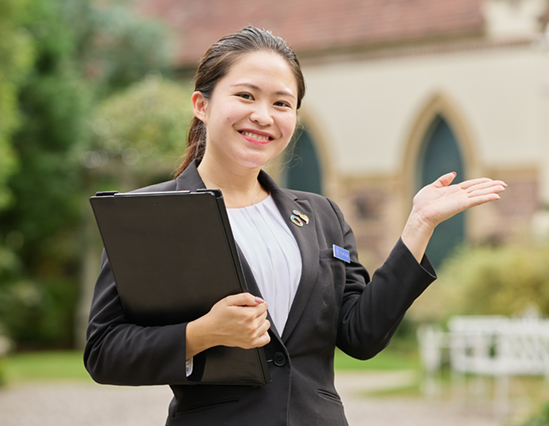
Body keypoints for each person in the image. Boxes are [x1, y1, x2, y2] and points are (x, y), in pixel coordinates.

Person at [84, 26, 506, 426]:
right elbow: (104, 352)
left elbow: (362, 335)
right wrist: (201, 334)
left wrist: (418, 225)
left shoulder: (322, 216)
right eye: (246, 95)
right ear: (202, 104)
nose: (263, 116)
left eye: (282, 103)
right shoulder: (150, 214)